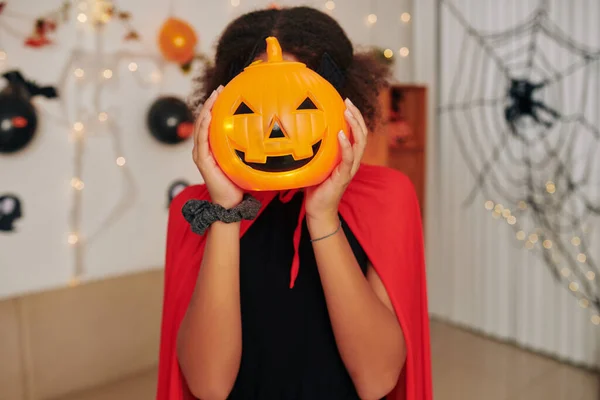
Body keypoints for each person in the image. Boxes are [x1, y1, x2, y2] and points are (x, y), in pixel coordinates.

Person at [157, 6, 431, 400]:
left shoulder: (387, 194)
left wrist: (323, 215)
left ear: (343, 104)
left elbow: (377, 380)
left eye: (302, 106)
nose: (277, 130)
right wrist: (225, 212)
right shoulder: (196, 207)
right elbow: (208, 387)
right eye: (252, 109)